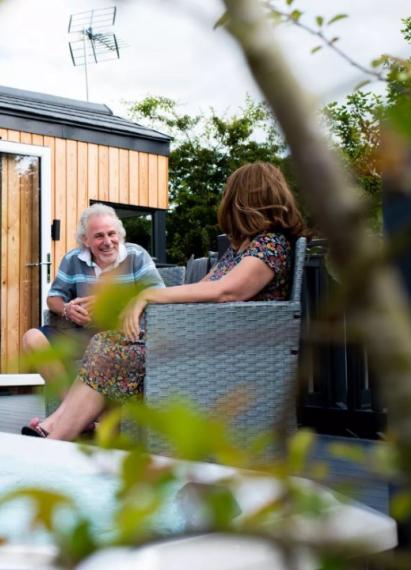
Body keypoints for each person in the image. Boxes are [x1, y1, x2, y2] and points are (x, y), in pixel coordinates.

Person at [23, 162, 308, 440]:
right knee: (105, 344)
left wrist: (146, 295)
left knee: (108, 349)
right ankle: (63, 428)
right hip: (201, 339)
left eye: (229, 196)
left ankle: (57, 435)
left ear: (245, 200)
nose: (226, 202)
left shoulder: (271, 244)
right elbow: (203, 288)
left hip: (226, 349)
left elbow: (227, 291)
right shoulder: (240, 249)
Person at [21, 203, 164, 383]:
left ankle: (74, 409)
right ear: (85, 240)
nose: (107, 242)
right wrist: (66, 309)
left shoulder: (136, 255)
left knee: (103, 346)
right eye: (99, 236)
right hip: (83, 335)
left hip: (126, 336)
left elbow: (159, 293)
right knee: (32, 338)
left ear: (119, 235)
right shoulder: (73, 259)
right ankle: (68, 404)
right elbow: (53, 298)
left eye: (112, 234)